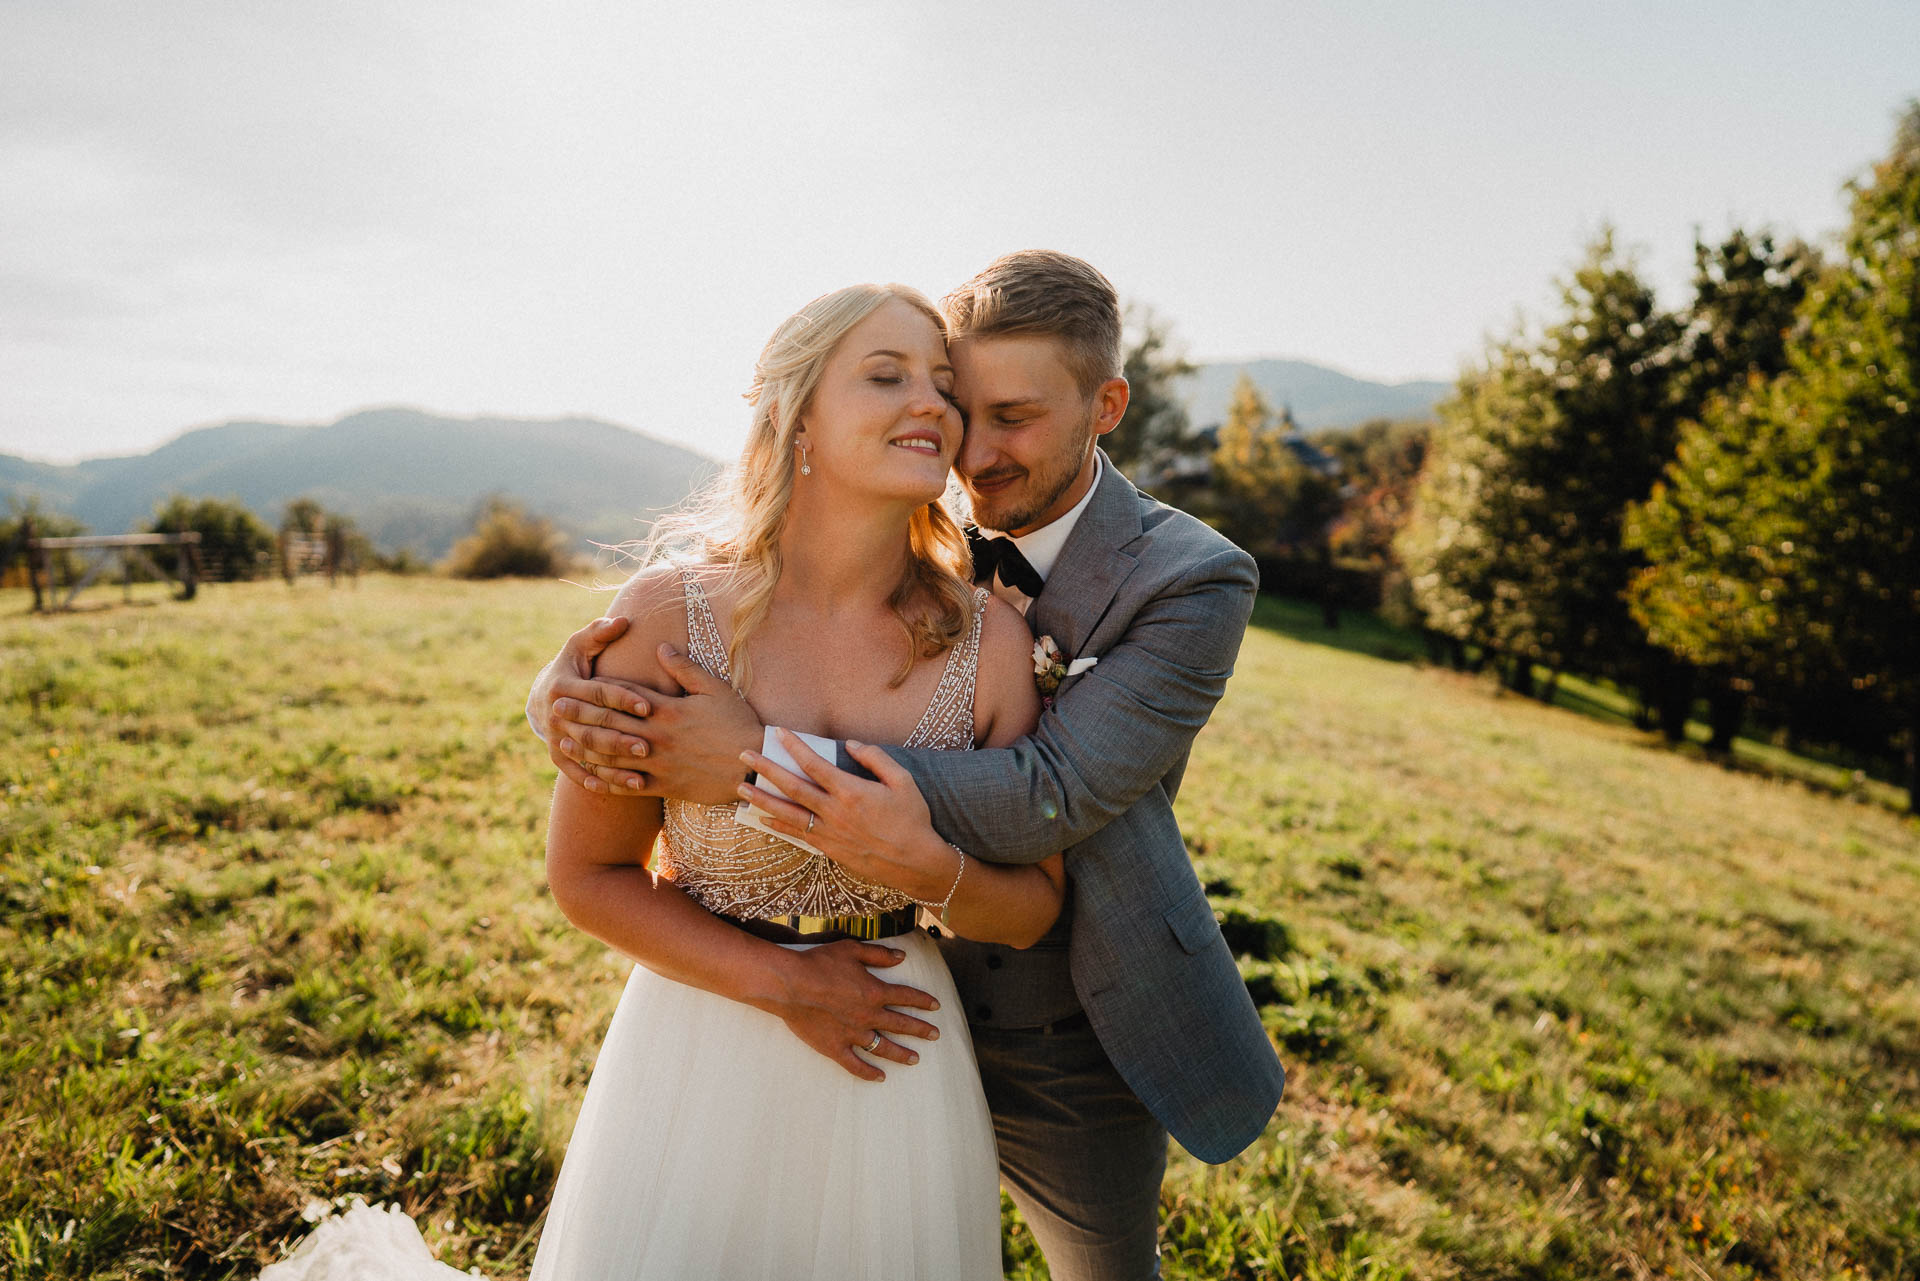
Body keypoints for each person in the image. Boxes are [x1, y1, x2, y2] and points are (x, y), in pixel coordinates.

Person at [262, 282, 1063, 1280]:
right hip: (701, 1046)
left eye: (945, 385)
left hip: (894, 1048)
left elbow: (1031, 911)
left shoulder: (990, 646)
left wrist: (922, 865)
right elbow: (590, 876)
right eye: (886, 374)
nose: (932, 406)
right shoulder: (669, 622)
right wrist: (785, 985)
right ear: (796, 415)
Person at [534, 250, 1285, 1281]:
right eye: (936, 392)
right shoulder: (744, 591)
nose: (966, 435)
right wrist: (563, 696)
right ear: (797, 415)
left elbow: (1049, 795)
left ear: (1105, 405)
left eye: (995, 409)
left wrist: (754, 760)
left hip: (1051, 1012)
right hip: (723, 1038)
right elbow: (592, 860)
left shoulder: (1181, 581)